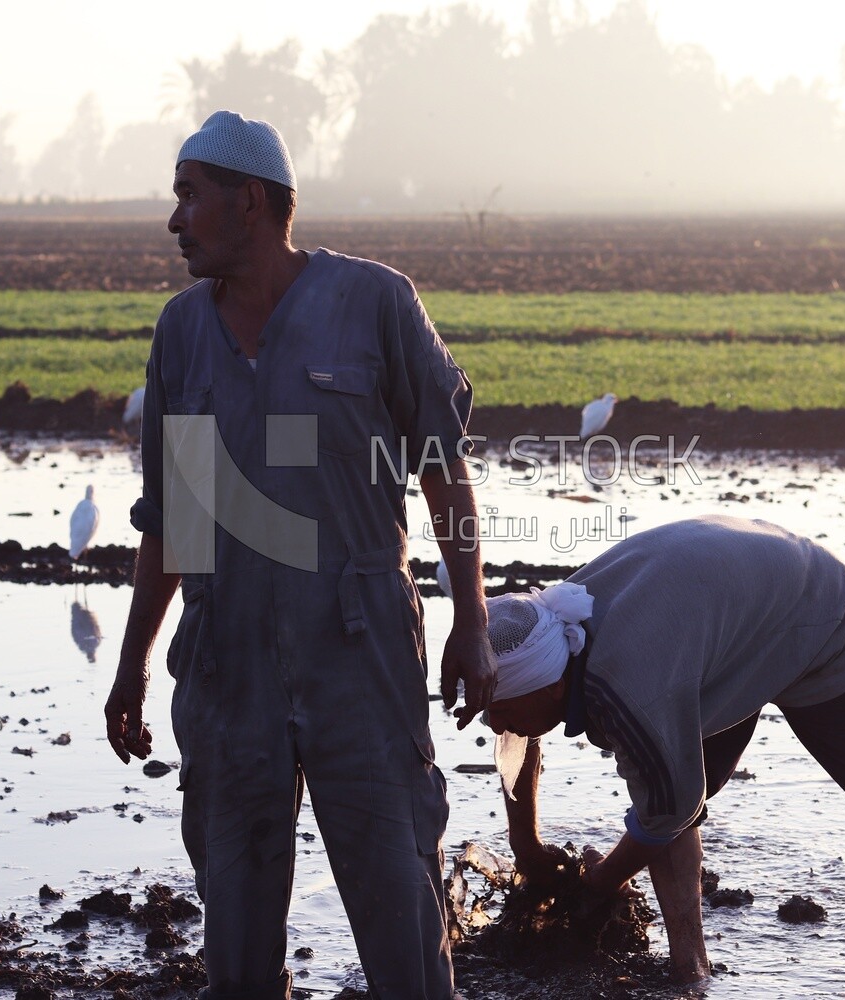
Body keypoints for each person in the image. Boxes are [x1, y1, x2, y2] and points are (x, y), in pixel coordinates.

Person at [102, 110, 498, 1000]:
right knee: (236, 950)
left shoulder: (374, 305)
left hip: (359, 659)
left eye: (187, 197)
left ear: (250, 201)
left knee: (402, 924)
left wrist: (472, 621)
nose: (173, 220)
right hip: (227, 668)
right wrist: (131, 665)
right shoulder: (182, 335)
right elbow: (173, 521)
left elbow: (445, 475)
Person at [483, 514, 845, 1000]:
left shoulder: (629, 689)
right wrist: (525, 844)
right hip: (728, 624)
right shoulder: (553, 626)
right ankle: (689, 970)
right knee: (671, 778)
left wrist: (598, 885)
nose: (493, 724)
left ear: (548, 686)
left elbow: (665, 813)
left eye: (497, 708)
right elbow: (523, 734)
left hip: (817, 613)